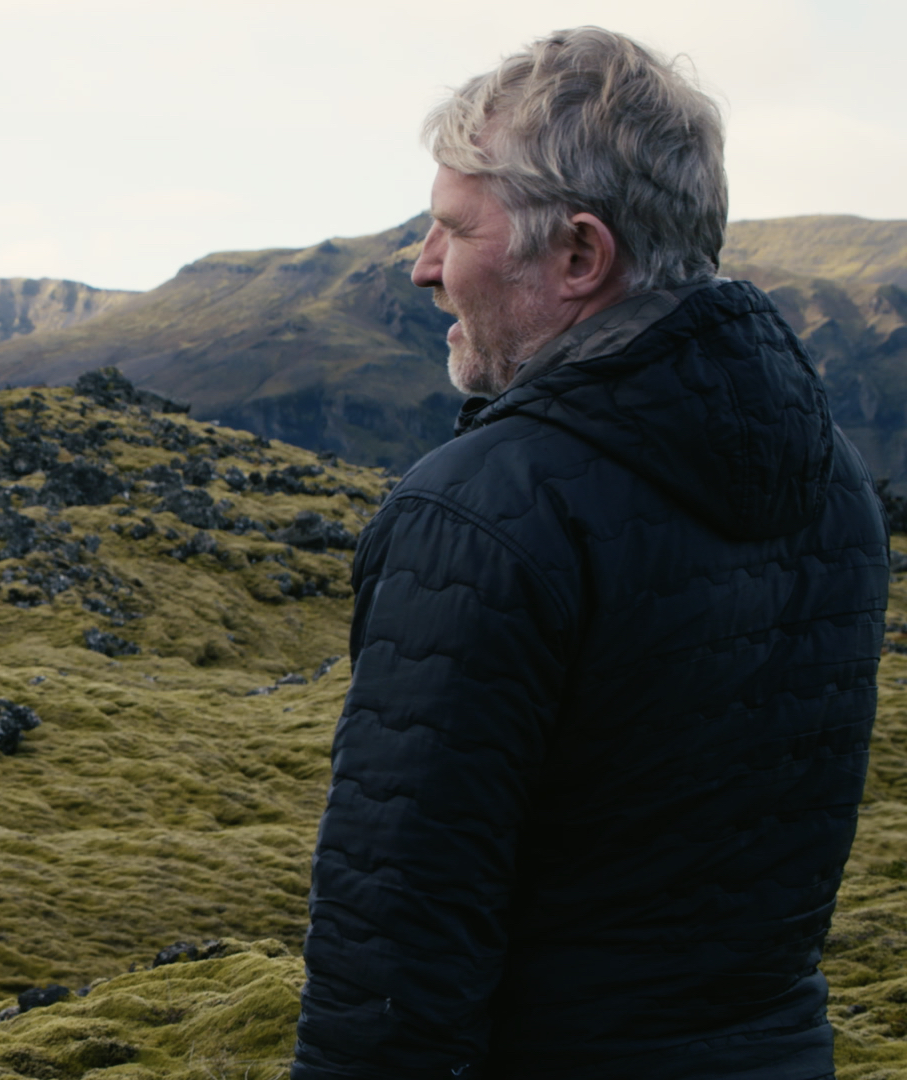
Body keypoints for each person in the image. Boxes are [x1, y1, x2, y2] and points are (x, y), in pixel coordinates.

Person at [294, 28, 888, 1080]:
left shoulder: (481, 509)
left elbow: (396, 944)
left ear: (578, 255)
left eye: (451, 230)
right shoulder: (833, 477)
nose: (425, 269)